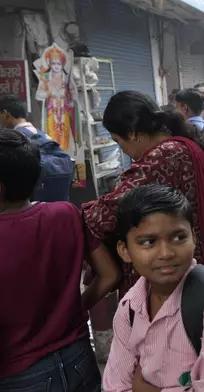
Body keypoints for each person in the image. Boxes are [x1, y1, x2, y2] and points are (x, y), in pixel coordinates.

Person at [82, 90, 204, 298]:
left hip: (176, 270)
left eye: (118, 141)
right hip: (189, 259)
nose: (123, 150)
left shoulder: (163, 155)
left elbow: (103, 217)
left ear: (131, 133)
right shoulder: (181, 145)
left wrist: (76, 214)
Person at [0, 130, 120, 390]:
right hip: (79, 359)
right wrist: (75, 309)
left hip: (20, 373)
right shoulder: (66, 214)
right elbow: (110, 274)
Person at [102, 185, 204, 392]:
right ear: (125, 251)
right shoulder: (129, 309)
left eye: (178, 238)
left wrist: (144, 389)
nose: (165, 253)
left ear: (194, 237)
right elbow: (115, 385)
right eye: (148, 242)